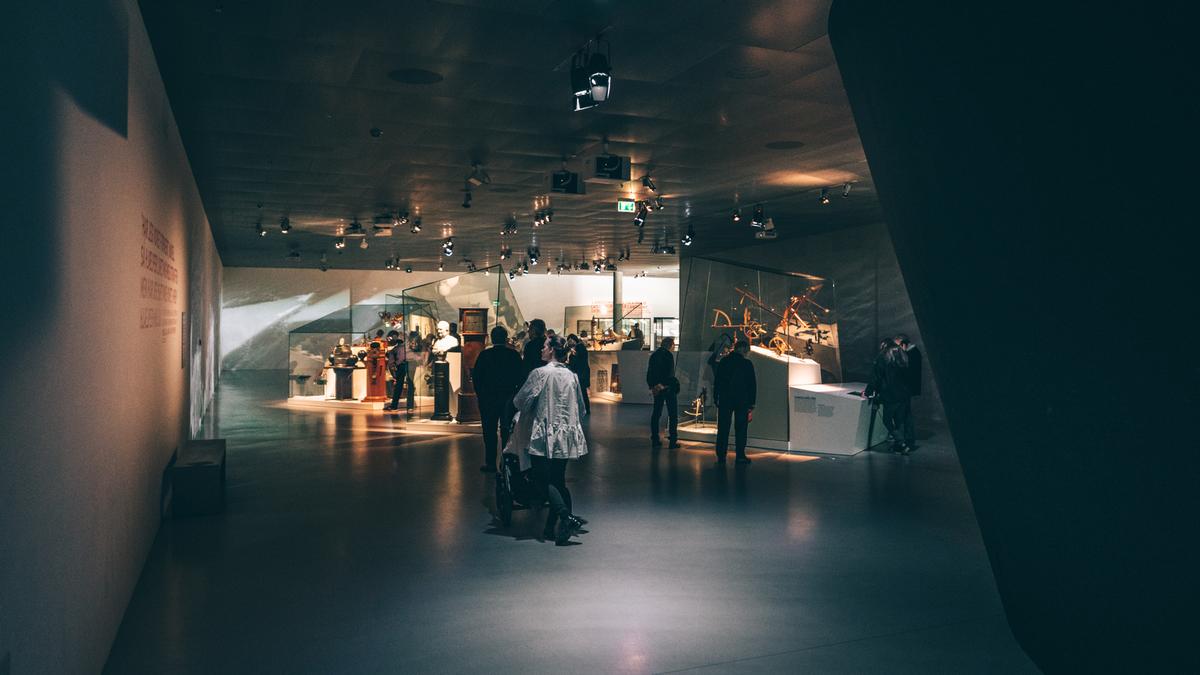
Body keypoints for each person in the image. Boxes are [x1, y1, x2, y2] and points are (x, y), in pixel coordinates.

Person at [505, 335, 588, 545]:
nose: (541, 350)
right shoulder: (572, 376)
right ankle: (553, 529)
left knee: (541, 480)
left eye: (544, 346)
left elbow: (520, 401)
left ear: (551, 350)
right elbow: (581, 407)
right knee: (558, 480)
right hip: (566, 433)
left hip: (543, 433)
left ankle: (565, 517)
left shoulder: (540, 374)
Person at [471, 325, 524, 473]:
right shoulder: (513, 355)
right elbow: (521, 378)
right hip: (508, 399)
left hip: (488, 399)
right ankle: (506, 462)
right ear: (505, 338)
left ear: (492, 338)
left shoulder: (484, 355)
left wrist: (481, 395)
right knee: (507, 431)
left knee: (489, 431)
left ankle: (490, 462)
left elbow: (476, 378)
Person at [866, 339, 914, 454]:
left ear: (883, 346)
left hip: (890, 395)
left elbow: (876, 377)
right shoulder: (903, 357)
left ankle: (901, 443)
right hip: (904, 395)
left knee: (887, 420)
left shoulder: (882, 357)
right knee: (899, 421)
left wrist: (869, 391)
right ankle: (901, 445)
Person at [714, 340, 756, 465]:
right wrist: (751, 403)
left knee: (723, 427)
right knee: (741, 428)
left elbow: (718, 381)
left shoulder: (724, 361)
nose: (747, 353)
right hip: (741, 400)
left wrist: (716, 396)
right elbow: (751, 385)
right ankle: (740, 455)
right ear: (743, 349)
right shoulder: (747, 364)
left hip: (725, 399)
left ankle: (721, 454)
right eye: (747, 350)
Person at [646, 336, 679, 449]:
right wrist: (667, 384)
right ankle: (673, 441)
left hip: (657, 388)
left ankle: (655, 439)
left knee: (656, 413)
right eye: (673, 344)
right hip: (667, 388)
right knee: (673, 414)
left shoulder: (654, 355)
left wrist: (653, 386)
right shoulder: (668, 355)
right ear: (670, 345)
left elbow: (650, 372)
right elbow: (669, 374)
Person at [566, 333, 591, 415]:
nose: (569, 342)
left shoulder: (579, 347)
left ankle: (586, 409)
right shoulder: (578, 347)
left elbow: (578, 360)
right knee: (582, 392)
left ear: (574, 340)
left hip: (581, 373)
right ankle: (585, 409)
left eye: (570, 340)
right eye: (568, 341)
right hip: (581, 372)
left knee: (582, 392)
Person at [384, 330, 408, 411]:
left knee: (398, 386)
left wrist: (395, 374)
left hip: (401, 366)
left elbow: (392, 364)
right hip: (405, 364)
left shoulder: (395, 349)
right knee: (403, 385)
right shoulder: (400, 347)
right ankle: (407, 405)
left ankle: (394, 405)